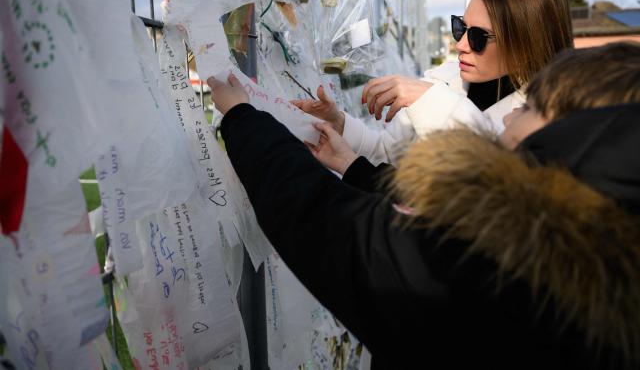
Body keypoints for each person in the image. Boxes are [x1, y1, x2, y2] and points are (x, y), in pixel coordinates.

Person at [210, 42, 640, 370]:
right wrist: (354, 166)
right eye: (459, 28)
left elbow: (330, 225)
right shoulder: (597, 262)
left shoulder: (497, 265)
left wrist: (243, 117)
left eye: (530, 108)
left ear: (575, 132)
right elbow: (426, 218)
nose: (510, 117)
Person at [292, 0, 573, 165]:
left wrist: (434, 101)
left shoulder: (552, 117)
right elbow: (388, 153)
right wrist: (339, 122)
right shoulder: (443, 79)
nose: (460, 44)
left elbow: (493, 177)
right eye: (460, 27)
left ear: (526, 45)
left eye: (477, 37)